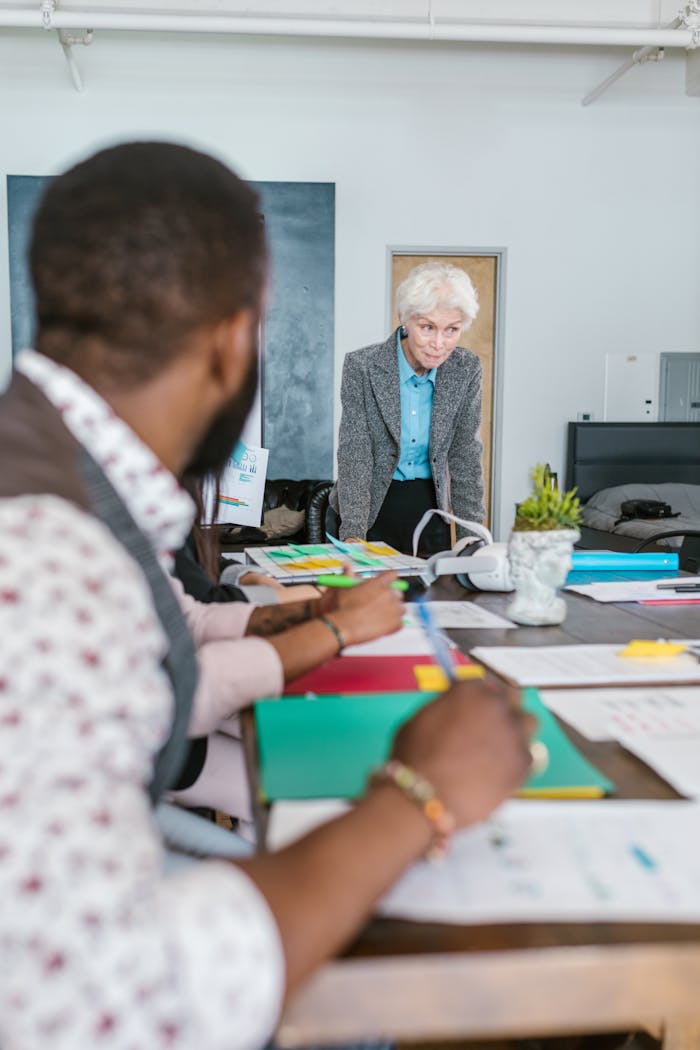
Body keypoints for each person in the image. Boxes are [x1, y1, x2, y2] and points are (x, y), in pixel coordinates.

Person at [0, 141, 533, 1050]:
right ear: (232, 339)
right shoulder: (52, 556)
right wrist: (420, 794)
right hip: (137, 951)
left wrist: (313, 618)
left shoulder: (60, 476)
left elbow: (164, 643)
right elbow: (106, 1009)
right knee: (375, 969)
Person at [329, 260, 484, 556]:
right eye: (427, 327)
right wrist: (353, 534)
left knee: (432, 598)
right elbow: (356, 452)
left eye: (451, 330)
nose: (439, 343)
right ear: (405, 319)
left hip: (431, 506)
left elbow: (465, 454)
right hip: (372, 504)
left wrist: (471, 539)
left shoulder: (466, 369)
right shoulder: (362, 366)